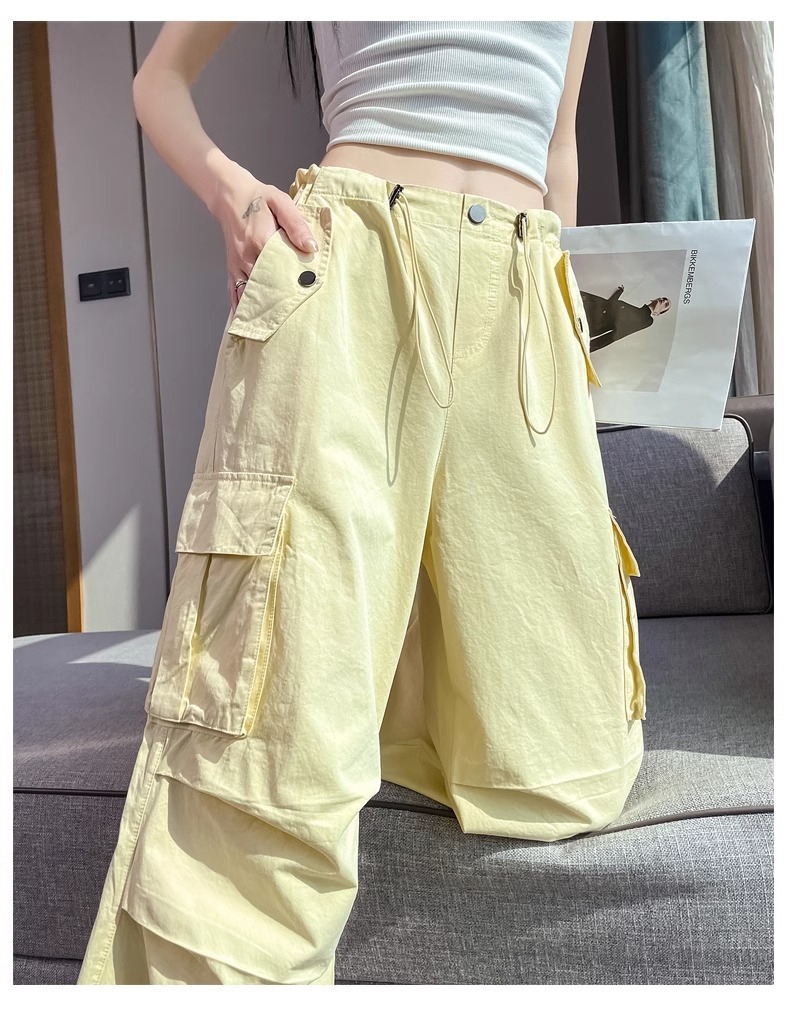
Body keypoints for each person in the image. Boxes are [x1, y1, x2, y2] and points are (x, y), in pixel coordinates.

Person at [77, 21, 647, 986]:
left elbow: (558, 146)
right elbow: (158, 81)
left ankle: (368, 695)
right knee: (268, 755)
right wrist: (234, 195)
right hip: (352, 272)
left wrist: (564, 318)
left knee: (568, 768)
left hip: (521, 289)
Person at [581, 284, 671, 352]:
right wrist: (619, 293)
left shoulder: (646, 320)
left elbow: (616, 335)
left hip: (591, 325)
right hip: (589, 308)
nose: (664, 301)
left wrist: (589, 347)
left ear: (657, 314)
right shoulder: (631, 309)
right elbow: (609, 305)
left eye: (666, 304)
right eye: (663, 298)